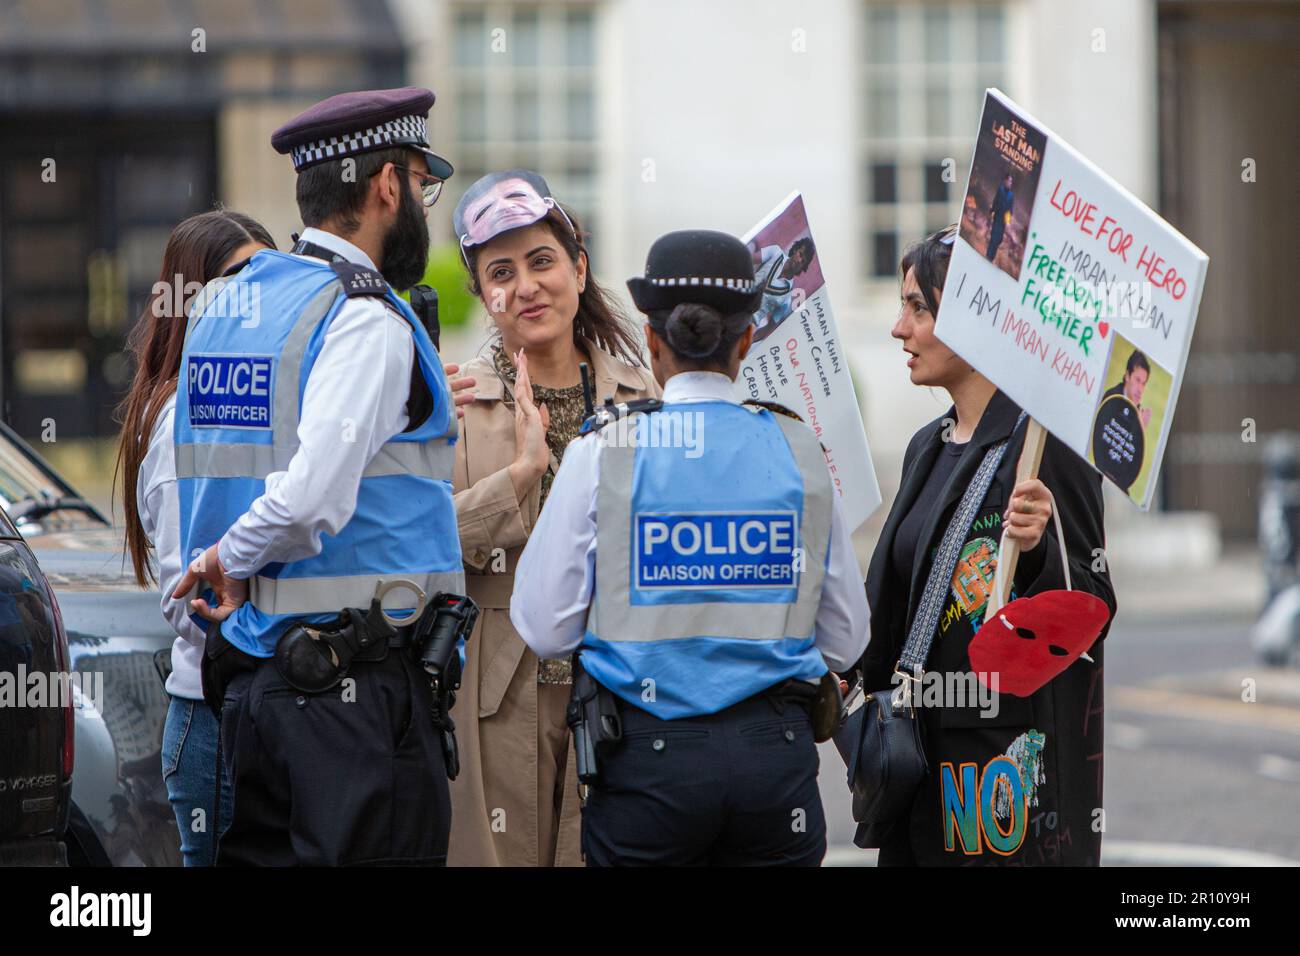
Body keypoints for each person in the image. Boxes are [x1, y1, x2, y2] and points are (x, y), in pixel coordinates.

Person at [170, 87, 472, 866]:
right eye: (420, 183)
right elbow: (311, 500)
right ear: (385, 186)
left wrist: (223, 565)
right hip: (352, 695)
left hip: (252, 684)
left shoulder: (227, 308)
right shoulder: (363, 318)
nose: (423, 204)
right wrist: (229, 560)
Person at [511, 229, 870, 866]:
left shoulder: (606, 451)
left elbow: (545, 627)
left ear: (652, 342)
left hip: (647, 773)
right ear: (746, 340)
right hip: (774, 770)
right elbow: (845, 641)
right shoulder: (801, 450)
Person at [855, 225, 1116, 865]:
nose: (899, 328)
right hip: (917, 765)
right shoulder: (927, 444)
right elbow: (898, 600)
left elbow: (1093, 606)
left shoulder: (1047, 446)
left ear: (976, 321)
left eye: (920, 307)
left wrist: (1039, 550)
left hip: (1000, 785)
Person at [446, 169, 658, 867]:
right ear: (482, 294)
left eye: (543, 261)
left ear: (579, 266)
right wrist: (519, 479)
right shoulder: (453, 402)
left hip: (625, 681)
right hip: (504, 689)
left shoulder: (645, 395)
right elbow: (423, 542)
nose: (527, 285)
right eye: (501, 271)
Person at [115, 209, 275, 866]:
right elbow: (189, 600)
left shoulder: (250, 395)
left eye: (271, 273)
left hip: (252, 712)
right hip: (217, 717)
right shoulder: (185, 411)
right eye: (241, 276)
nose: (262, 293)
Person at [1103, 350, 1153, 430]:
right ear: (1127, 376)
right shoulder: (1111, 399)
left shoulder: (1137, 409)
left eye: (1143, 384)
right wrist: (1139, 427)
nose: (1140, 389)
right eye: (1137, 380)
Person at [987, 172, 1015, 262]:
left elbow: (1010, 210)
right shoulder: (1000, 190)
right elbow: (996, 201)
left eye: (1011, 182)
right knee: (994, 236)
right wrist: (992, 211)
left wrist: (1007, 222)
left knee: (999, 238)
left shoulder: (1011, 195)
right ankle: (989, 256)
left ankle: (991, 256)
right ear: (1005, 181)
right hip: (997, 217)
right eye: (1009, 181)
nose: (1010, 183)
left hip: (1003, 221)